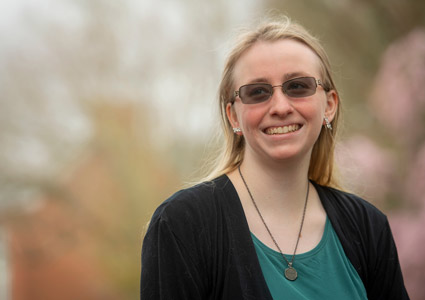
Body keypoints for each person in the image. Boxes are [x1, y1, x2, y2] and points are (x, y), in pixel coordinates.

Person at [140, 15, 409, 300]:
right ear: (233, 116)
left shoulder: (368, 228)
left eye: (298, 86)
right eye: (257, 92)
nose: (280, 107)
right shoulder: (183, 224)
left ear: (329, 105)